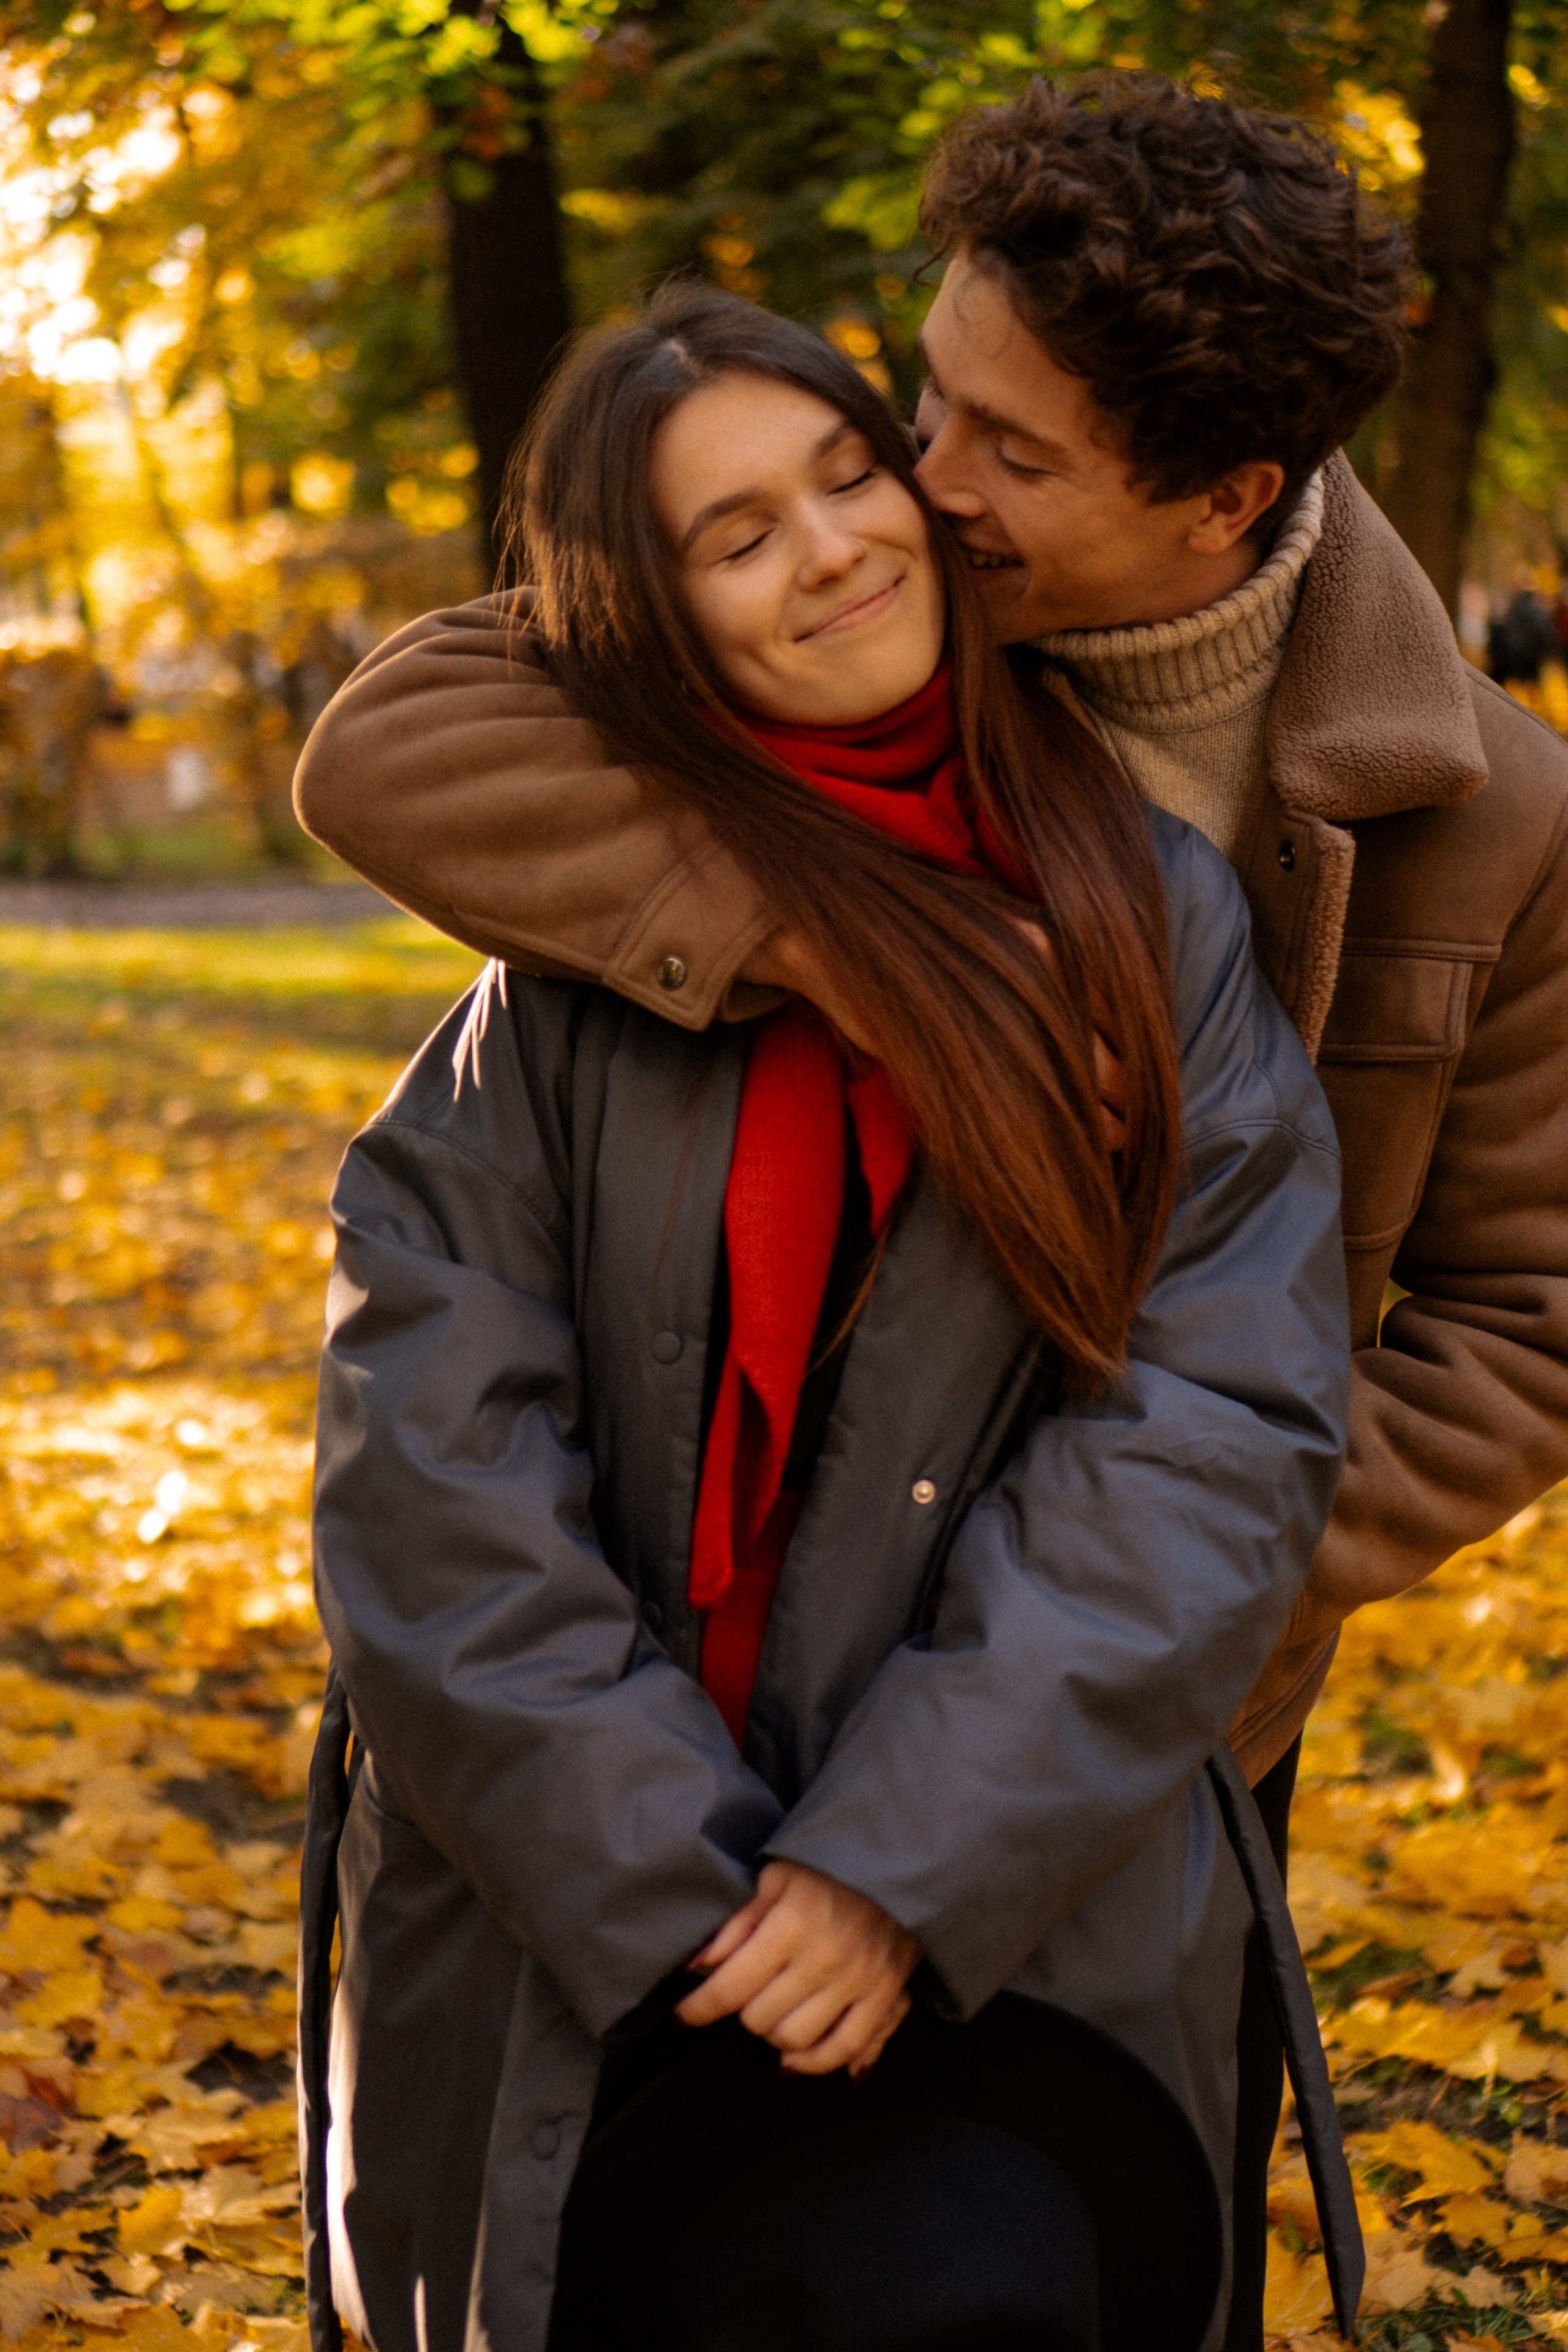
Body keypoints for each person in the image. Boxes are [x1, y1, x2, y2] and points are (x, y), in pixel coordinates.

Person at [294, 74, 1568, 2350]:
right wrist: (848, 935)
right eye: (919, 409)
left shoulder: (1452, 821)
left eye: (996, 454)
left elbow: (1480, 1328)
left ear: (1220, 505)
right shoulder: (684, 821)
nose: (920, 497)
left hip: (1098, 1733)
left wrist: (1117, 1639)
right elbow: (434, 1428)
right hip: (637, 1782)